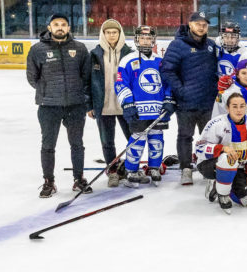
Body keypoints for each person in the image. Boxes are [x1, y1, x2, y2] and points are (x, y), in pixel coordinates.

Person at [28, 14, 93, 197]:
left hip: (75, 105)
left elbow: (86, 75)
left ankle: (78, 179)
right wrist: (48, 92)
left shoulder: (79, 49)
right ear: (49, 27)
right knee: (48, 145)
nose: (60, 27)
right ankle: (49, 181)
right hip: (49, 106)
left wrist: (79, 95)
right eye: (56, 24)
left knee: (77, 144)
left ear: (69, 28)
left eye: (63, 24)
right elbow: (32, 78)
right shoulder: (37, 50)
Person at [160, 12, 220, 185]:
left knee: (209, 138)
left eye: (205, 24)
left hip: (208, 102)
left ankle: (208, 168)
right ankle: (186, 169)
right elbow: (167, 70)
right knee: (185, 136)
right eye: (198, 23)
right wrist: (181, 90)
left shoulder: (211, 45)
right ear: (190, 24)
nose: (201, 27)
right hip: (186, 103)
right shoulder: (178, 45)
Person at [115, 25, 174, 187]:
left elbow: (168, 84)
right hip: (139, 111)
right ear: (136, 40)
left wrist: (168, 100)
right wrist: (128, 104)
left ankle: (154, 167)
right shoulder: (127, 60)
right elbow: (121, 84)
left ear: (153, 40)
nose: (145, 41)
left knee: (157, 140)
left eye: (148, 38)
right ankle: (131, 171)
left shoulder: (160, 62)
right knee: (137, 141)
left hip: (157, 111)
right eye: (142, 38)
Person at [195, 93, 247, 214]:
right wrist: (222, 148)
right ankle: (223, 194)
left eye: (242, 106)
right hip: (210, 165)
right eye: (235, 106)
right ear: (228, 108)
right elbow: (199, 148)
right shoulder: (216, 123)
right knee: (227, 158)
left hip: (239, 166)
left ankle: (221, 183)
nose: (239, 110)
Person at [89, 19, 133, 187]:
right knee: (107, 142)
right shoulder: (95, 54)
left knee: (132, 138)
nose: (112, 35)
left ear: (120, 34)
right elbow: (88, 81)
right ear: (103, 34)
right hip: (104, 106)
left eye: (115, 32)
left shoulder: (129, 52)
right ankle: (113, 170)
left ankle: (130, 167)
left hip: (125, 105)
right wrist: (90, 105)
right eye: (108, 32)